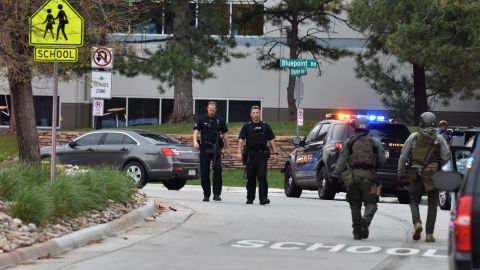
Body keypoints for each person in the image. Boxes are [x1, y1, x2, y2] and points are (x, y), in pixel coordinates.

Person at [330, 116, 385, 240]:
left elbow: (342, 160)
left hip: (353, 178)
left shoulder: (349, 142)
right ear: (368, 127)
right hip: (370, 179)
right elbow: (382, 160)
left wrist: (335, 175)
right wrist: (375, 167)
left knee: (355, 205)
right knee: (371, 204)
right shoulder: (375, 142)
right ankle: (365, 222)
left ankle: (357, 231)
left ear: (355, 126)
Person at [398, 112, 449, 242]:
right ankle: (429, 234)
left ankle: (417, 223)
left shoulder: (413, 137)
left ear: (421, 123)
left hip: (416, 174)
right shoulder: (439, 138)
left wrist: (401, 172)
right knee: (432, 203)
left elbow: (403, 156)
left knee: (414, 200)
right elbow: (445, 157)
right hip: (433, 175)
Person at [237, 106, 277, 205]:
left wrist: (275, 153)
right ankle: (250, 197)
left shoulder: (265, 126)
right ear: (251, 114)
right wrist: (239, 152)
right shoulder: (247, 126)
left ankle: (263, 198)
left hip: (262, 156)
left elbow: (271, 140)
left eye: (257, 112)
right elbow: (241, 140)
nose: (255, 114)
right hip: (250, 156)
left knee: (262, 176)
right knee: (250, 177)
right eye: (254, 113)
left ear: (260, 114)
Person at [193, 101, 229, 202]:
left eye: (213, 110)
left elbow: (225, 134)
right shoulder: (202, 119)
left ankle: (217, 194)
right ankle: (206, 194)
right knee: (204, 172)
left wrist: (227, 148)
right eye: (210, 110)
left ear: (216, 109)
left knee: (217, 171)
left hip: (216, 148)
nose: (211, 112)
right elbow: (196, 131)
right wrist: (195, 141)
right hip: (204, 147)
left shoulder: (219, 120)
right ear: (207, 109)